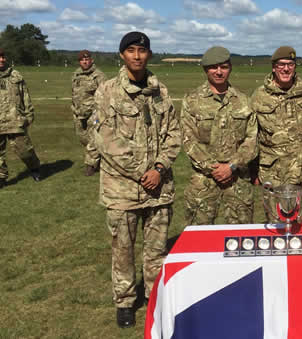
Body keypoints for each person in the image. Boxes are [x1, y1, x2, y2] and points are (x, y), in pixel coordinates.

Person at [89, 32, 181, 328]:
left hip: (159, 187)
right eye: (131, 50)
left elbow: (174, 134)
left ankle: (156, 297)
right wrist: (141, 171)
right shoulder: (107, 91)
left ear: (149, 55)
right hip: (122, 188)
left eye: (142, 50)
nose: (137, 56)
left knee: (156, 249)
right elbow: (105, 140)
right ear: (122, 55)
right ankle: (126, 301)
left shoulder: (160, 91)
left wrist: (159, 167)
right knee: (123, 250)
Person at [250, 46, 302, 223]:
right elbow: (252, 136)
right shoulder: (259, 96)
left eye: (290, 64)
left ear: (295, 66)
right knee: (278, 227)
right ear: (273, 67)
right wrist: (253, 169)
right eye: (281, 65)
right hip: (274, 174)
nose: (286, 69)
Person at [181, 46, 257, 225]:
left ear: (230, 68)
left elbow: (252, 139)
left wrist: (231, 166)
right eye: (213, 67)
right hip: (204, 181)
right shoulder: (192, 100)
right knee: (199, 240)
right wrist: (213, 168)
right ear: (205, 69)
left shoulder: (243, 100)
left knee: (240, 239)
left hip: (237, 180)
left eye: (223, 67)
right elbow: (188, 139)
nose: (219, 72)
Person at [0, 47, 42, 187]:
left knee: (25, 151)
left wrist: (29, 115)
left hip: (15, 120)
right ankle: (1, 177)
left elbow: (25, 96)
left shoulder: (15, 75)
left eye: (3, 56)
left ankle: (34, 167)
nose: (1, 59)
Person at [71, 50, 106, 176]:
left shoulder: (99, 75)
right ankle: (100, 158)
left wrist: (100, 112)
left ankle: (90, 165)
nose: (85, 62)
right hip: (79, 113)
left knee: (93, 139)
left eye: (87, 59)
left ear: (91, 60)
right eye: (82, 60)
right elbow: (74, 93)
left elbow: (104, 95)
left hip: (94, 113)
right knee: (83, 138)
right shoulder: (76, 74)